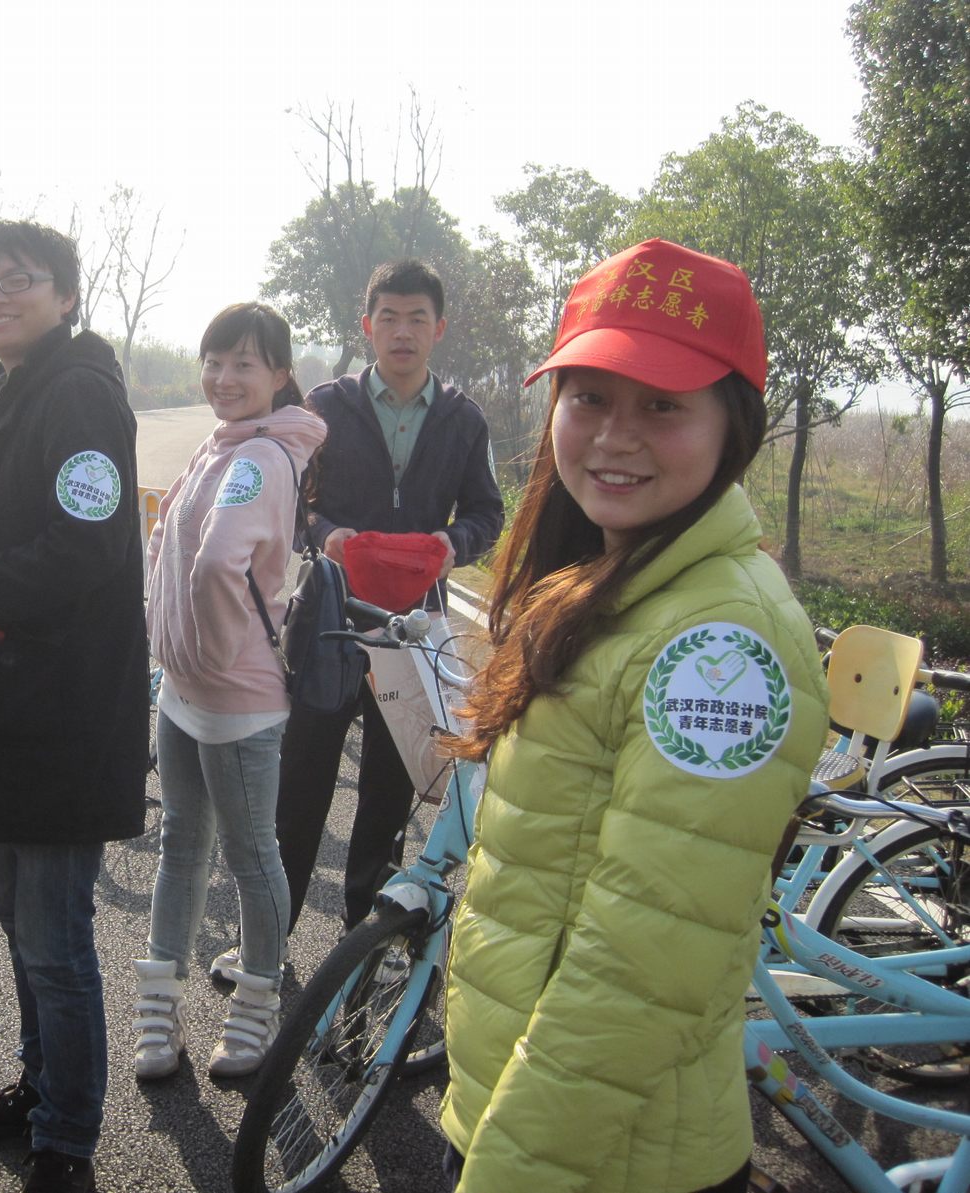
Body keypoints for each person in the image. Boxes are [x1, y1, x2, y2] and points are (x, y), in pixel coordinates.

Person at [437, 239, 828, 1193]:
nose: (614, 436)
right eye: (589, 396)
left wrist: (508, 1175)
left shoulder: (723, 640)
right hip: (535, 1121)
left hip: (596, 1156)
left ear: (733, 425)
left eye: (662, 404)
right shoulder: (616, 575)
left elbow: (638, 975)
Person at [0, 220, 145, 1193]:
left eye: (19, 280)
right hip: (11, 704)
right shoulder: (7, 388)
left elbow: (85, 544)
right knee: (19, 919)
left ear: (66, 295)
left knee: (55, 938)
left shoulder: (80, 392)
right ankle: (39, 1086)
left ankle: (67, 1136)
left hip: (63, 710)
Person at [249, 258, 503, 965]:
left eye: (417, 318)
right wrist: (327, 534)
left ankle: (364, 941)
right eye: (388, 317)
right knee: (301, 782)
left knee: (390, 790)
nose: (402, 331)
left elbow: (487, 512)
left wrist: (452, 545)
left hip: (413, 632)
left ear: (439, 328)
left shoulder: (462, 419)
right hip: (331, 619)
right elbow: (293, 500)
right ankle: (267, 941)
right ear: (367, 326)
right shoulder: (327, 407)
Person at [135, 304, 326, 1081]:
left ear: (280, 374)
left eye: (245, 363)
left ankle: (255, 1005)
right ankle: (161, 1005)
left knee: (246, 855)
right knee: (187, 844)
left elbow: (217, 561)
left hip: (232, 695)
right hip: (186, 687)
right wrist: (171, 647)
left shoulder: (260, 457)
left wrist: (203, 653)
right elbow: (165, 541)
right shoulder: (221, 444)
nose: (224, 377)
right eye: (214, 361)